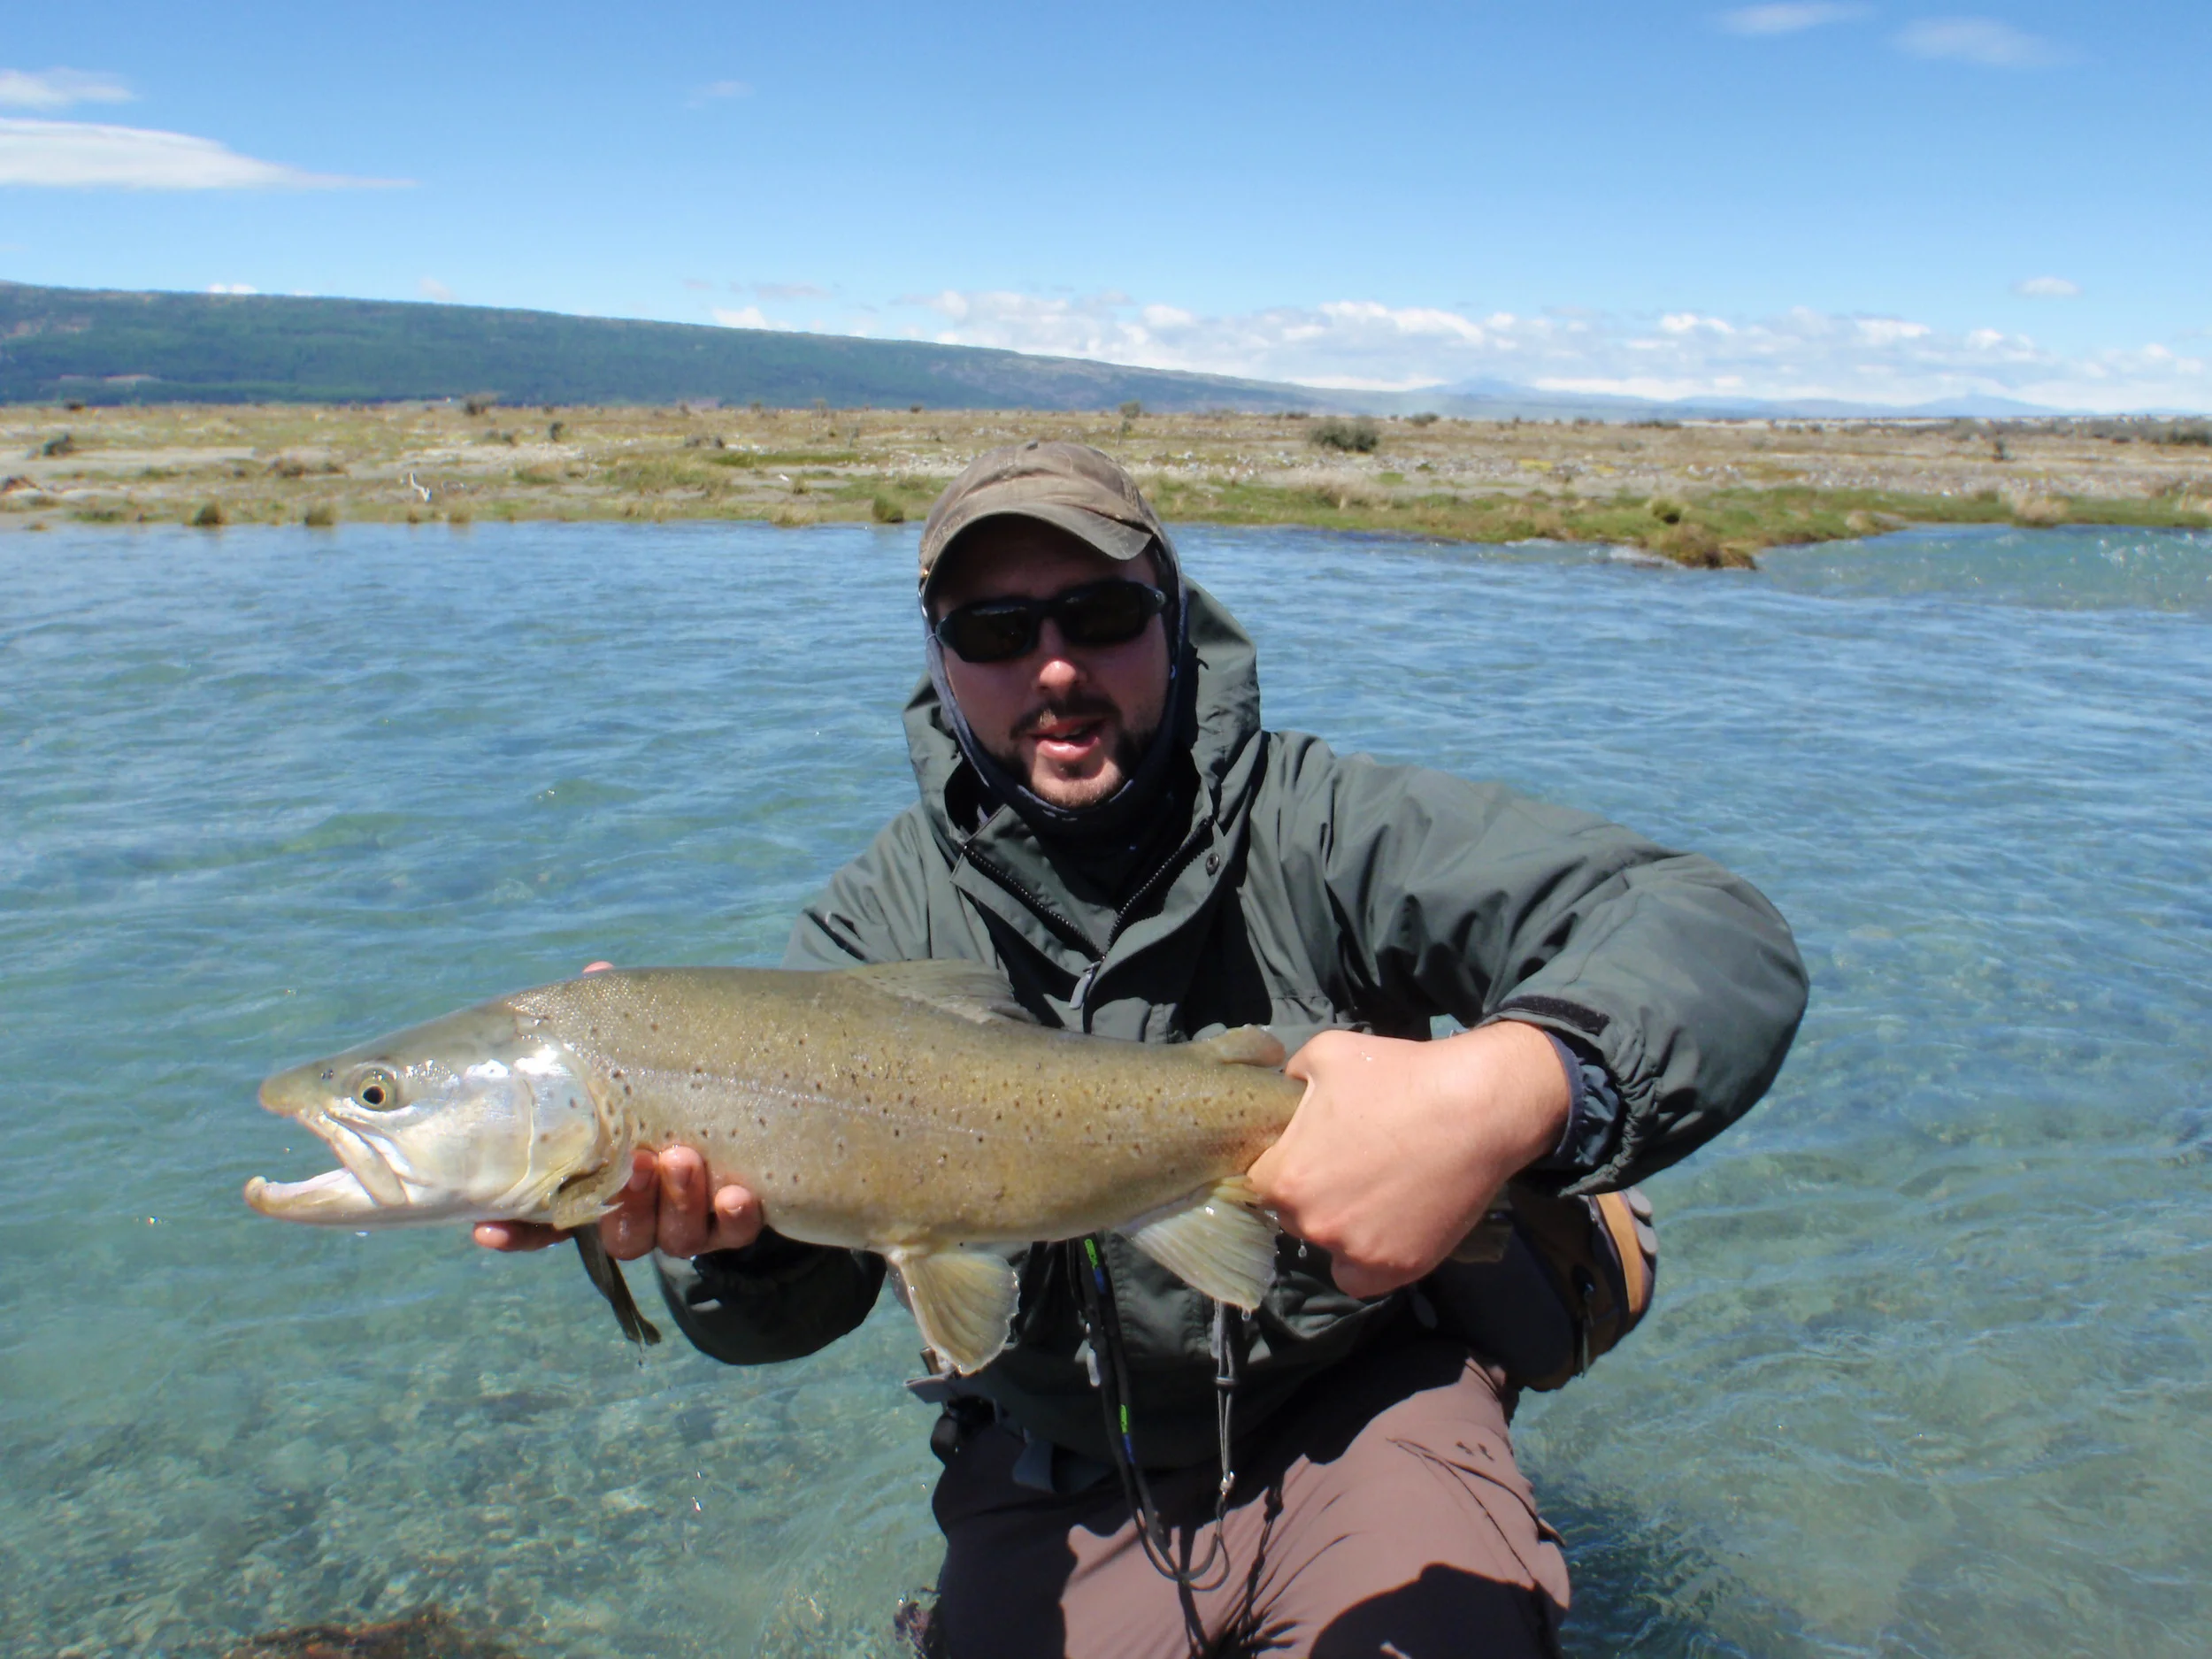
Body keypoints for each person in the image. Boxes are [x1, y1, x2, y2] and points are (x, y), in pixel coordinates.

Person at [478, 442, 1807, 1657]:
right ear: (941, 662)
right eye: (995, 629)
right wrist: (742, 1243)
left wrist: (1520, 1085)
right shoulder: (872, 925)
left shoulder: (1326, 826)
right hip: (1058, 1466)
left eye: (1101, 615)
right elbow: (786, 1319)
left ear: (1173, 620)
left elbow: (1714, 931)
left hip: (1360, 1406)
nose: (1054, 665)